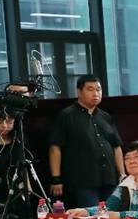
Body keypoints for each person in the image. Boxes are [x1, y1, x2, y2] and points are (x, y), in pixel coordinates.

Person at [48, 75, 124, 209]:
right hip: (83, 181)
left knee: (112, 216)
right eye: (90, 89)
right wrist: (56, 178)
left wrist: (122, 174)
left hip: (110, 179)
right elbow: (55, 148)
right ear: (79, 91)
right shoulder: (67, 115)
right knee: (91, 217)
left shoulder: (105, 116)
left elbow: (116, 146)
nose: (96, 93)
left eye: (98, 89)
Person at [67, 139, 138, 219]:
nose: (131, 161)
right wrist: (86, 211)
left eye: (136, 157)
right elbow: (109, 207)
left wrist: (118, 215)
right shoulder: (125, 182)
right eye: (127, 158)